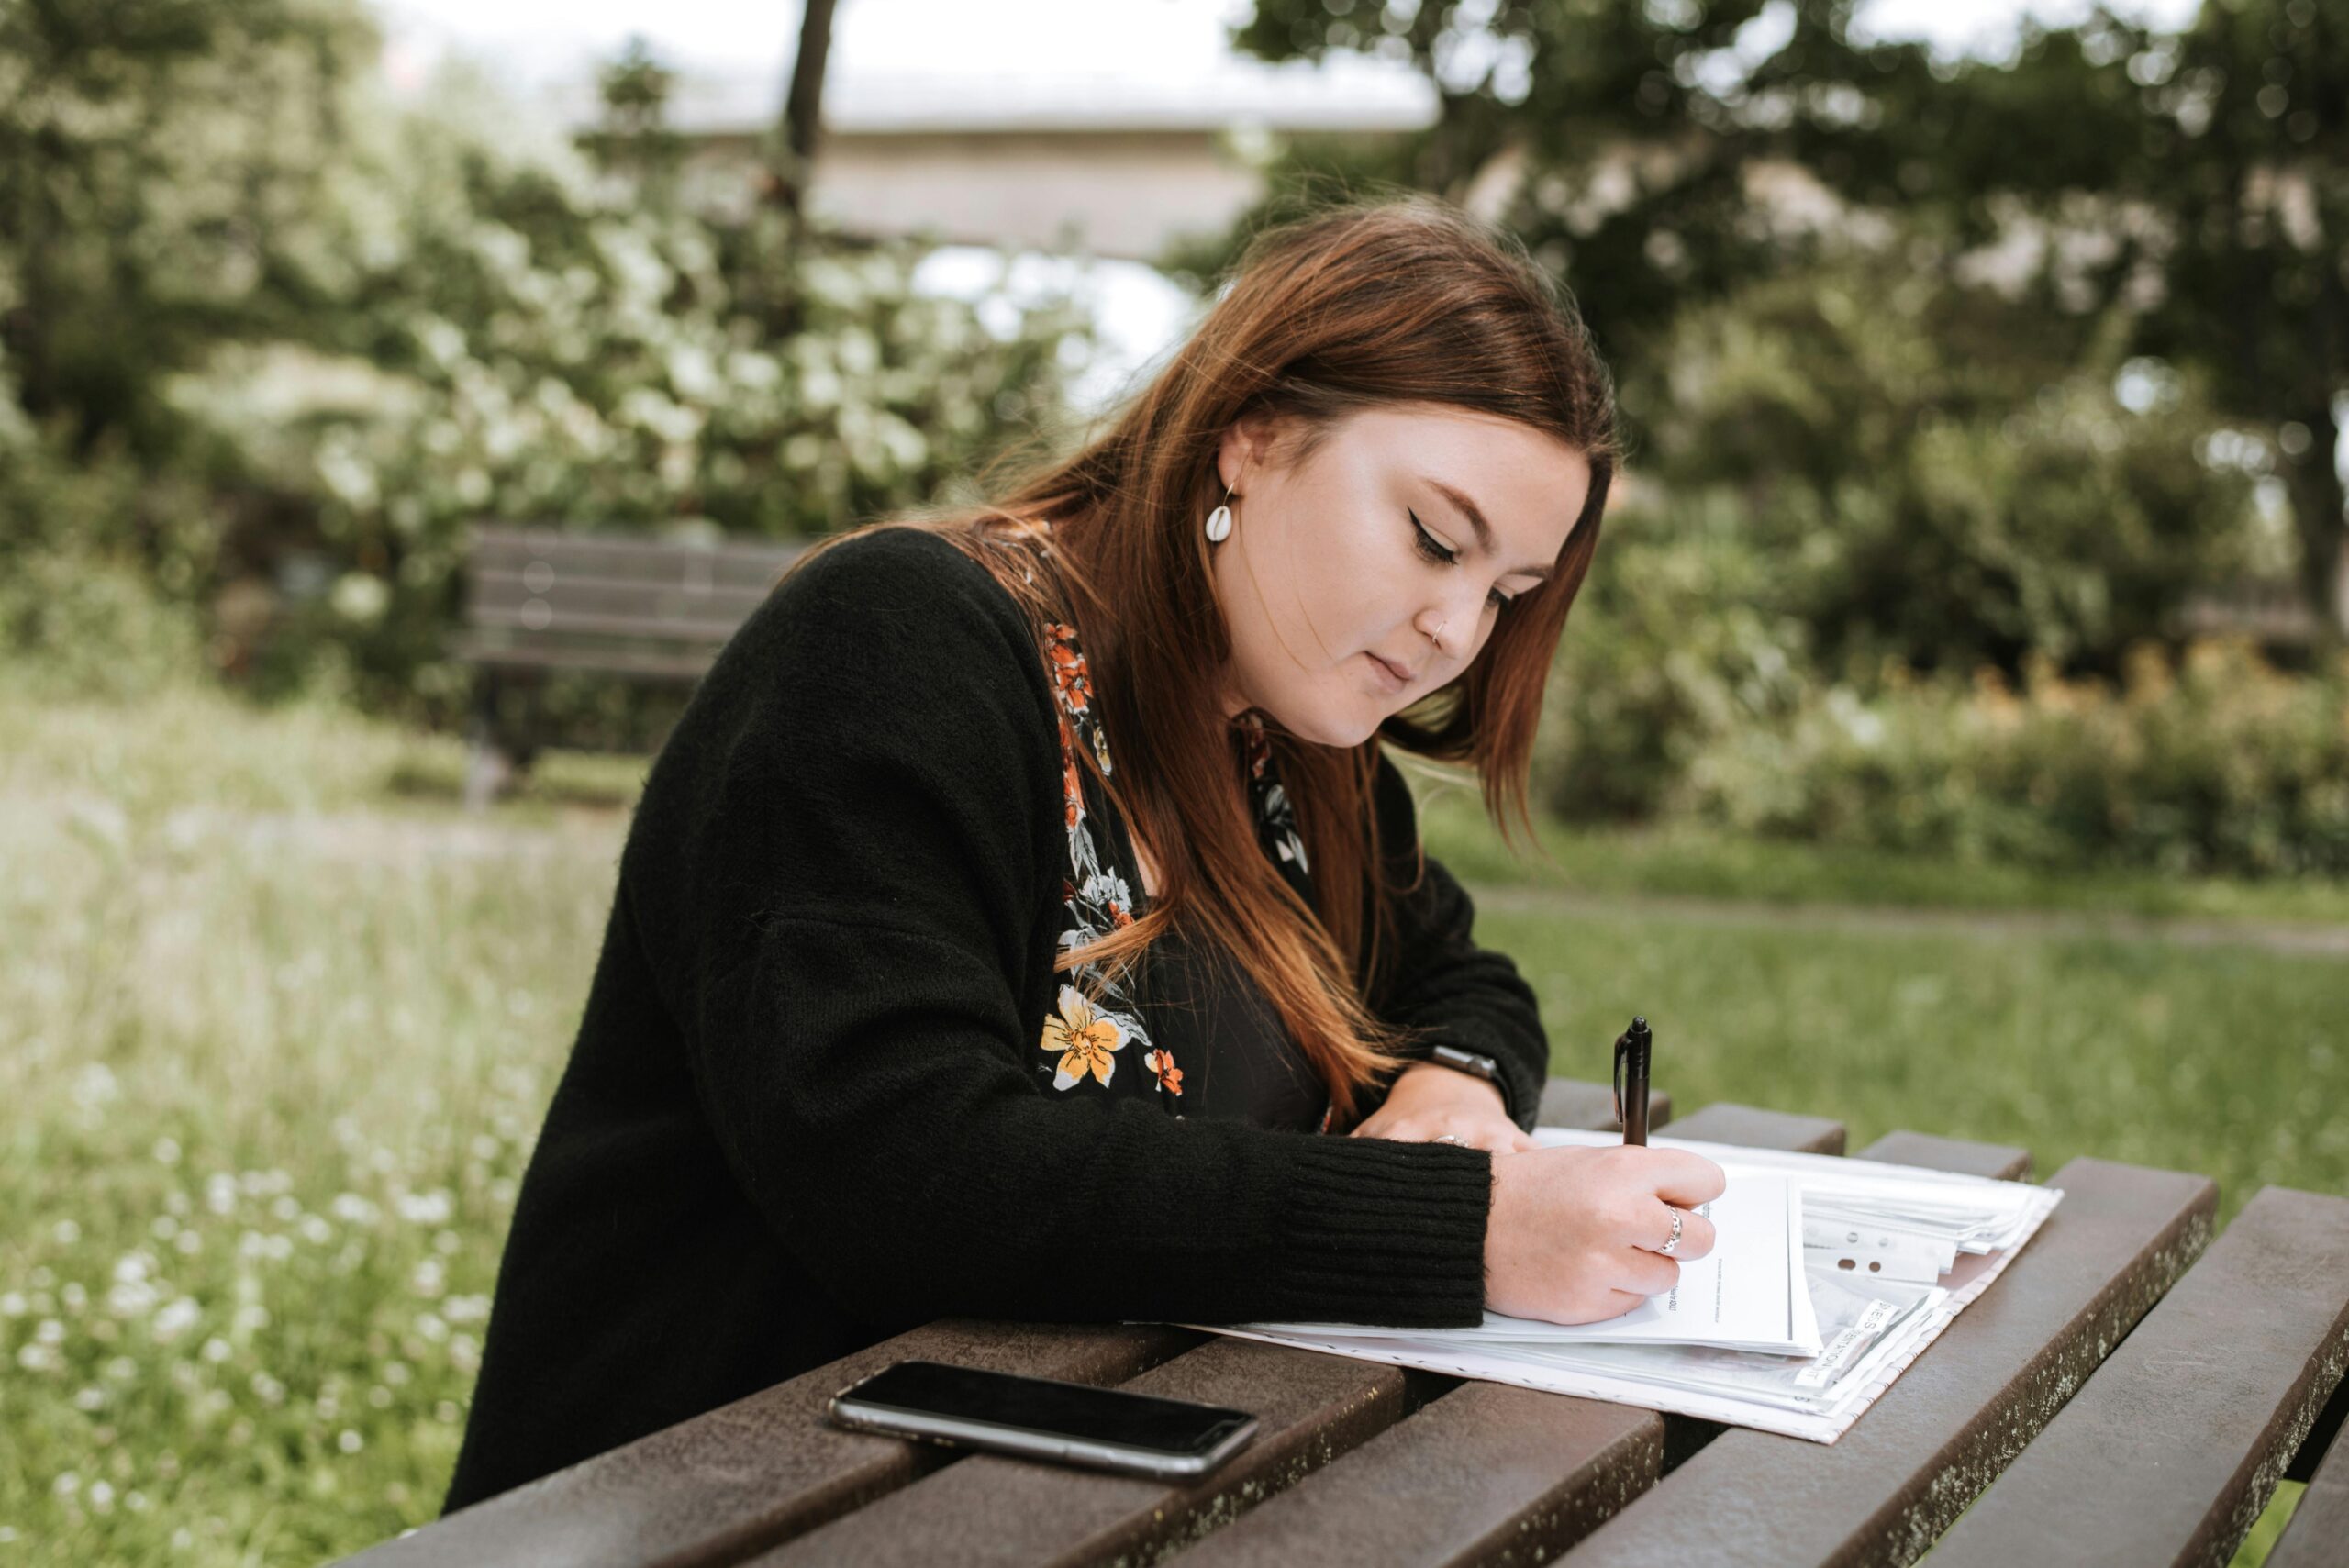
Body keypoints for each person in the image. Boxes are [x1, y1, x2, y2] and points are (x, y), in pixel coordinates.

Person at [441, 194, 1725, 1513]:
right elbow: (909, 1171)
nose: (1458, 629)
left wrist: (1454, 1088)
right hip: (728, 1502)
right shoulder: (900, 648)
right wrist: (1472, 1232)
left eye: (1507, 592)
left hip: (1051, 1488)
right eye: (1434, 539)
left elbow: (1462, 977)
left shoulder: (1293, 748)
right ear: (1256, 434)